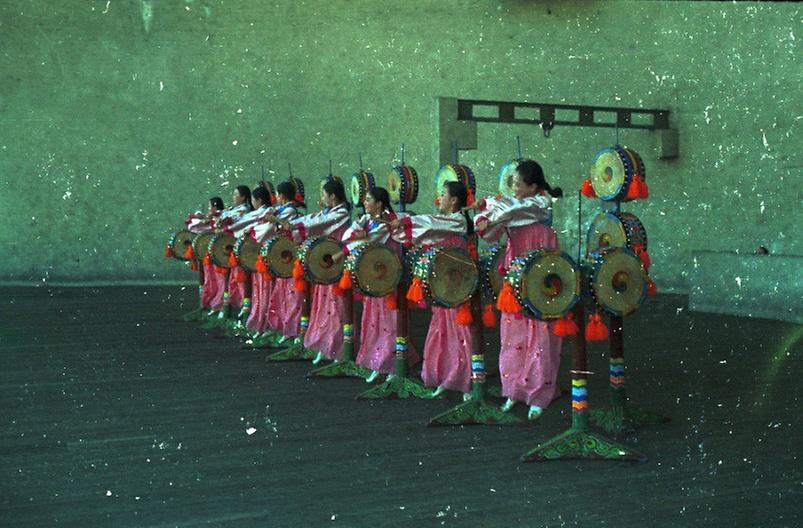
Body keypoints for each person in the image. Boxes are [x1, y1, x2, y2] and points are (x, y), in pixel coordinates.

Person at [473, 160, 563, 420]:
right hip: (514, 271)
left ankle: (539, 393)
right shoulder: (511, 208)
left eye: (518, 184)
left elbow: (515, 209)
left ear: (534, 186)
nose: (514, 189)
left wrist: (490, 207)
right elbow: (491, 233)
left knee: (541, 331)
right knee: (514, 331)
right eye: (512, 184)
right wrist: (483, 219)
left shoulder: (540, 203)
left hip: (540, 270)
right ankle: (514, 390)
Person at [391, 180, 475, 398]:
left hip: (456, 277)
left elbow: (430, 224)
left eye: (443, 195)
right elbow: (425, 230)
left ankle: (464, 379)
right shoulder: (445, 220)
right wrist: (398, 223)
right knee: (442, 322)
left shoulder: (457, 222)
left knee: (458, 326)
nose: (440, 199)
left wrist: (404, 221)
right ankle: (445, 376)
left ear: (454, 200)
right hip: (441, 278)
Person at [340, 187, 419, 383]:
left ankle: (392, 364)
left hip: (389, 276)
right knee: (373, 317)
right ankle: (376, 362)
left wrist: (357, 238)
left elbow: (370, 240)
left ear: (379, 204)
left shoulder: (388, 222)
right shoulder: (368, 220)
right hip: (374, 275)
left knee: (390, 320)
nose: (364, 203)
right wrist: (359, 225)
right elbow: (347, 236)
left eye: (368, 200)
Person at [273, 178, 352, 363]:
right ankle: (322, 344)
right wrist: (295, 224)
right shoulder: (329, 211)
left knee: (336, 304)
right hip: (324, 262)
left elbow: (321, 222)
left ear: (333, 196)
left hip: (336, 261)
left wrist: (295, 225)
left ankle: (336, 348)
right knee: (322, 303)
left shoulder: (341, 213)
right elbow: (313, 219)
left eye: (324, 194)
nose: (322, 198)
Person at [254, 181, 305, 344]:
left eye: (276, 194)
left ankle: (293, 331)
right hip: (282, 255)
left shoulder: (290, 210)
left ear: (281, 196)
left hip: (289, 254)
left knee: (292, 294)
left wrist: (273, 218)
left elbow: (281, 226)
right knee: (282, 292)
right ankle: (283, 327)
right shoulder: (281, 209)